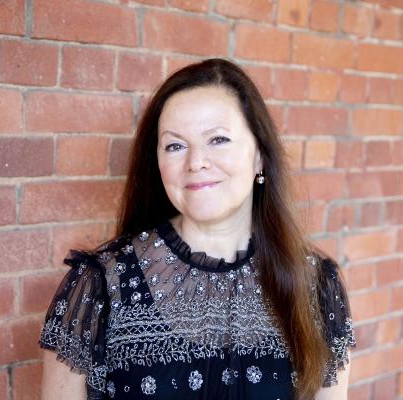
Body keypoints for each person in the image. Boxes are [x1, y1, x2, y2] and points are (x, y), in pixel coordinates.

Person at [39, 58, 355, 400]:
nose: (196, 162)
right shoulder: (99, 284)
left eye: (218, 139)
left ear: (260, 157)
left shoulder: (317, 286)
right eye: (175, 145)